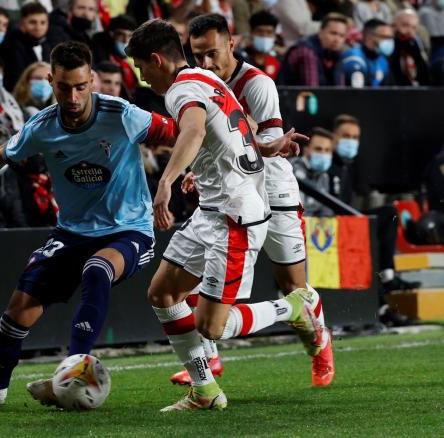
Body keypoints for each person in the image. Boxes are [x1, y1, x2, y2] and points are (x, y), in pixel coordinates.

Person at [0, 41, 176, 409]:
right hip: (71, 232)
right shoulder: (41, 126)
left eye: (80, 87)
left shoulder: (122, 114)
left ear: (92, 81)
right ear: (50, 81)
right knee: (18, 309)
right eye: (63, 87)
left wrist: (188, 174)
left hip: (128, 229)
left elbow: (185, 132)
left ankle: (74, 369)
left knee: (97, 269)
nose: (72, 97)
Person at [126, 19, 320, 412]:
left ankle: (295, 306)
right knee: (162, 294)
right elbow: (239, 126)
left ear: (157, 60)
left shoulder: (181, 89)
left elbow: (194, 132)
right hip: (212, 210)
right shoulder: (204, 77)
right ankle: (206, 390)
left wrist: (165, 182)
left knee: (211, 326)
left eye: (141, 69)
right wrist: (266, 149)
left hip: (235, 215)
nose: (143, 79)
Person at [167, 13, 333, 388]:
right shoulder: (199, 81)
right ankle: (209, 358)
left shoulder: (257, 83)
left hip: (273, 190)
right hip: (233, 194)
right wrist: (202, 168)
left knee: (293, 286)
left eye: (212, 53)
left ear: (231, 43)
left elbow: (266, 148)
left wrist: (231, 152)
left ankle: (319, 342)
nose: (206, 63)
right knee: (194, 277)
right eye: (197, 56)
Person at [328, 114, 420, 326]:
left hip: (348, 226)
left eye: (355, 137)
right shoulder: (329, 167)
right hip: (329, 232)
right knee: (368, 240)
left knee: (388, 214)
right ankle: (383, 304)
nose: (351, 141)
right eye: (346, 136)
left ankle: (387, 276)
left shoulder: (346, 168)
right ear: (334, 137)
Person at [281, 13, 349, 86]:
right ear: (320, 32)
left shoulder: (338, 55)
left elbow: (340, 90)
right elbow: (312, 91)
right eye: (333, 33)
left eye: (342, 36)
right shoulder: (306, 51)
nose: (337, 39)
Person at [0, 2, 52, 91]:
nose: (38, 27)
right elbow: (15, 81)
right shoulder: (12, 46)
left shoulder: (46, 45)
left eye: (43, 22)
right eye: (32, 22)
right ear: (21, 23)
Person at [290, 127, 336, 217]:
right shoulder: (290, 168)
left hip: (311, 228)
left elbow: (325, 210)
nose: (323, 154)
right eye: (318, 149)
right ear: (306, 149)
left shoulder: (324, 176)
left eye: (327, 150)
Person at [90, 14, 138, 99]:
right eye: (121, 35)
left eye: (130, 36)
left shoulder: (134, 58)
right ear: (111, 34)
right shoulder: (99, 55)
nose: (125, 40)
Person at [342, 19, 394, 86]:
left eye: (391, 38)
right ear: (369, 37)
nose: (389, 41)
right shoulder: (354, 58)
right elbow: (357, 93)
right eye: (385, 37)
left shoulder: (382, 60)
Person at [390, 9, 430, 85]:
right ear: (393, 25)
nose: (409, 31)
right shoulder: (388, 45)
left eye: (414, 28)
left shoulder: (415, 45)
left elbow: (424, 75)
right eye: (405, 25)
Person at [238, 10, 282, 81]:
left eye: (269, 32)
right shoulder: (240, 58)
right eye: (260, 31)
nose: (264, 36)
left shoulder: (278, 60)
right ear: (252, 33)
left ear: (274, 36)